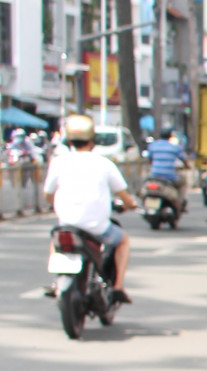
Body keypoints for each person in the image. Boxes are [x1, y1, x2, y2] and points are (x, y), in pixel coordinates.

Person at [46, 113, 138, 300]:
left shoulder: (58, 162)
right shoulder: (104, 164)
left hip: (67, 225)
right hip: (97, 228)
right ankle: (118, 286)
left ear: (69, 140)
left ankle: (56, 282)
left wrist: (57, 205)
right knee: (123, 240)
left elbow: (48, 194)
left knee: (56, 240)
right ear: (92, 140)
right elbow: (124, 196)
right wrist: (131, 205)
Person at [147, 125, 189, 204]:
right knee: (183, 182)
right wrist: (187, 166)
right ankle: (179, 202)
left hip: (154, 175)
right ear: (170, 135)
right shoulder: (175, 147)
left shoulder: (152, 146)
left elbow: (150, 159)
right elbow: (184, 159)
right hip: (169, 177)